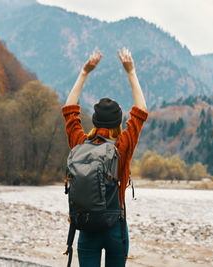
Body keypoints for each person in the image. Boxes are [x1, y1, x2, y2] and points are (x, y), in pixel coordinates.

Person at [61, 47, 148, 267]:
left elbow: (69, 110)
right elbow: (141, 111)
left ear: (95, 121)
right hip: (115, 228)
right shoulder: (122, 146)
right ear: (118, 124)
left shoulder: (80, 143)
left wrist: (84, 71)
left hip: (87, 226)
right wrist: (131, 71)